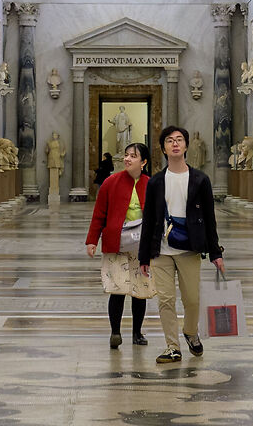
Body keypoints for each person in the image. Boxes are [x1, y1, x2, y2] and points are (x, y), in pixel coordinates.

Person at [138, 124, 225, 364]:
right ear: (163, 148)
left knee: (192, 299)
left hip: (190, 247)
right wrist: (144, 256)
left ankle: (190, 331)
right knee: (165, 300)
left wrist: (215, 252)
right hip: (161, 250)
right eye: (169, 140)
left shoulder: (200, 180)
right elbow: (148, 220)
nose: (175, 143)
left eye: (179, 140)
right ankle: (172, 346)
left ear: (185, 146)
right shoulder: (155, 182)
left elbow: (209, 218)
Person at [86, 141, 153, 349]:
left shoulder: (151, 184)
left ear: (143, 162)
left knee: (140, 291)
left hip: (142, 246)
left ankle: (137, 332)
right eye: (126, 155)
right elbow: (99, 214)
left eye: (133, 156)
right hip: (116, 243)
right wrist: (92, 240)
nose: (127, 159)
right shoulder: (110, 182)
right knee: (117, 290)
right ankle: (115, 332)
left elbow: (159, 216)